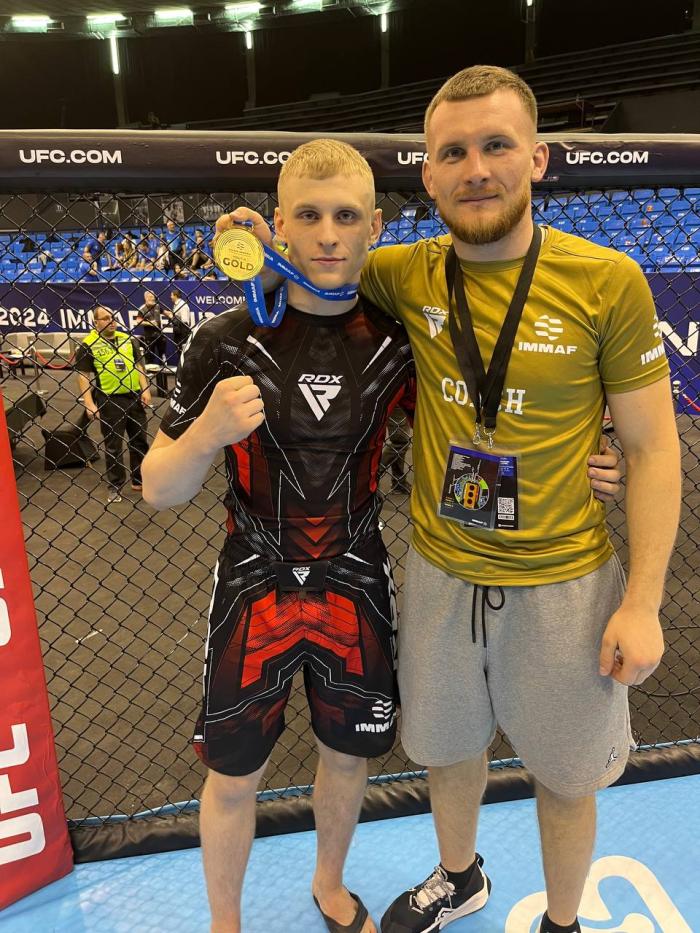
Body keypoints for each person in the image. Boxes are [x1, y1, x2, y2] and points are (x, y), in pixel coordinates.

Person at [147, 138, 621, 933]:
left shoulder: (401, 340)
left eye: (345, 217)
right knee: (232, 774)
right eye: (307, 216)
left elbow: (481, 425)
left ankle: (329, 884)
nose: (328, 235)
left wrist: (589, 461)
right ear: (278, 226)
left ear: (374, 228)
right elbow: (158, 486)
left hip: (356, 579)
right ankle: (224, 923)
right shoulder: (225, 339)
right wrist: (204, 436)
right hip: (252, 584)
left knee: (349, 755)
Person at [352, 66, 679, 933]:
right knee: (447, 750)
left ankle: (563, 922)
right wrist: (246, 235)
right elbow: (315, 260)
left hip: (566, 581)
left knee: (568, 777)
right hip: (442, 573)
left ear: (537, 158)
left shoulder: (607, 279)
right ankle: (460, 877)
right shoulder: (401, 273)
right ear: (427, 174)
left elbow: (652, 449)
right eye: (453, 152)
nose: (476, 169)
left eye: (496, 145)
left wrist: (644, 602)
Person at [75, 305, 152, 504]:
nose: (111, 321)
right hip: (109, 400)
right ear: (96, 323)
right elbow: (83, 375)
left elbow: (139, 365)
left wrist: (145, 389)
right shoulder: (88, 345)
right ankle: (115, 486)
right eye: (106, 318)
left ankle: (139, 479)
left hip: (134, 397)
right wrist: (89, 403)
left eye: (113, 317)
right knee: (113, 446)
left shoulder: (128, 339)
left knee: (140, 441)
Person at [160, 286, 192, 353]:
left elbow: (184, 322)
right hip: (178, 332)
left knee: (182, 351)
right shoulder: (176, 305)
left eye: (171, 295)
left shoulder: (182, 305)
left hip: (182, 333)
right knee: (179, 350)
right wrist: (164, 312)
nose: (170, 297)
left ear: (175, 296)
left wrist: (172, 317)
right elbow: (175, 315)